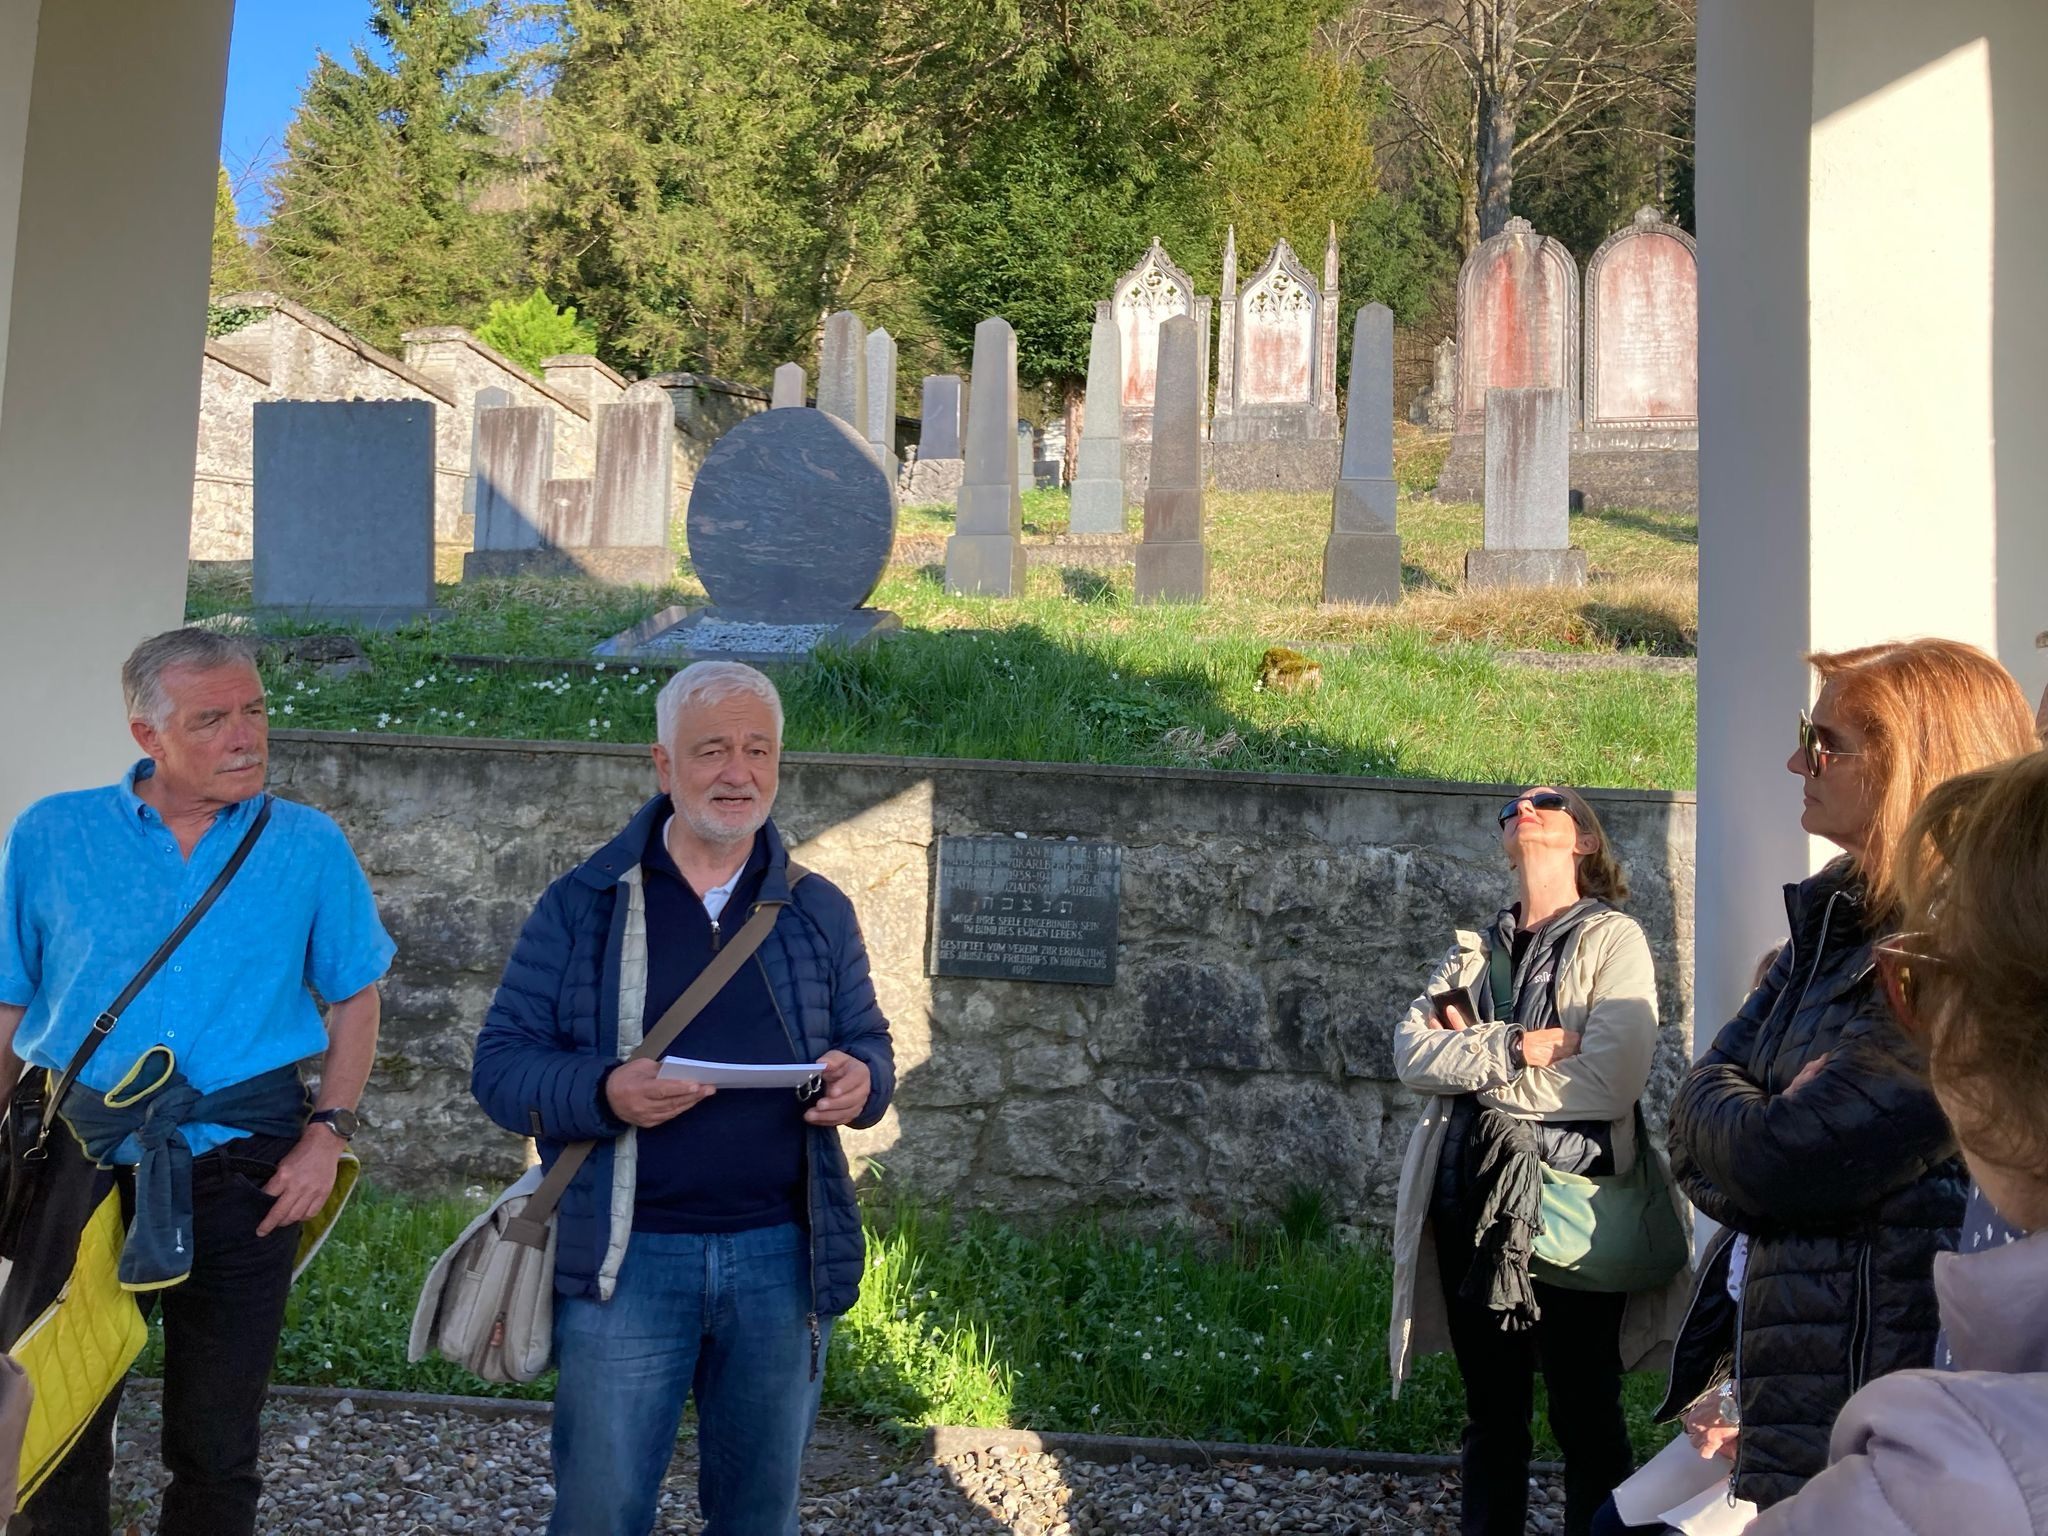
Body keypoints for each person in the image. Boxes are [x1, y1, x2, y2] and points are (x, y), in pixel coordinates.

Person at [1601, 639, 2039, 1533]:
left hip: (1882, 1398)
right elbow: (1691, 1112)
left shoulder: (1950, 952)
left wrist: (1757, 1107)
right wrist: (1755, 1104)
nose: (1799, 761)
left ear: (1915, 755)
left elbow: (1781, 1160)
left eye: (1825, 739)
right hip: (1798, 1385)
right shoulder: (1837, 909)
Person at [471, 659, 895, 1536]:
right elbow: (501, 1070)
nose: (738, 773)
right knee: (599, 1512)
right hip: (627, 1261)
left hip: (781, 1259)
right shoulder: (582, 905)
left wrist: (862, 1082)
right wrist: (605, 1090)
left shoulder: (818, 910)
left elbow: (869, 1048)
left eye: (757, 750)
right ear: (663, 766)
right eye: (712, 751)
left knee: (759, 1516)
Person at [0, 628, 393, 1536]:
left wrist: (325, 1135)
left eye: (253, 710)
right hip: (77, 1158)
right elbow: (10, 1006)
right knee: (54, 1412)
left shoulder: (306, 846)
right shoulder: (52, 835)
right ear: (149, 736)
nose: (244, 735)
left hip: (243, 1162)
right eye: (212, 719)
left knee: (218, 1440)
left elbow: (356, 999)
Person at [1742, 745, 2048, 1532]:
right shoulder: (1817, 922)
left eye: (1922, 980)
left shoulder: (1948, 1477)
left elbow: (1779, 1153)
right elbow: (1707, 1134)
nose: (1793, 760)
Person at [1388, 784, 1688, 1536]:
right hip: (1471, 1202)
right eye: (1511, 807)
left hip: (1571, 1205)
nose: (1523, 808)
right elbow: (1409, 1053)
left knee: (1584, 1410)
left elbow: (1612, 1079)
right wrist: (1518, 1046)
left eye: (1547, 802)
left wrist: (1479, 1077)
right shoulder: (1471, 951)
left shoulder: (1613, 939)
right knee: (1491, 1417)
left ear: (1584, 840)